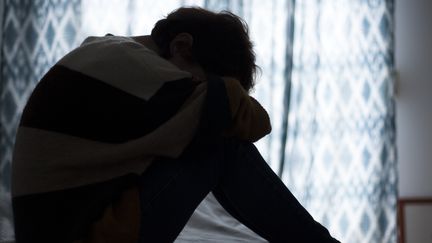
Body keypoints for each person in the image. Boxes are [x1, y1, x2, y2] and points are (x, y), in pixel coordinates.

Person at [11, 7, 339, 243]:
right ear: (181, 46)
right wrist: (220, 95)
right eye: (197, 80)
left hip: (64, 226)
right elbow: (252, 120)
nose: (191, 87)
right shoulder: (136, 66)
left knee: (202, 131)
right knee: (221, 145)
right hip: (81, 234)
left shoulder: (108, 53)